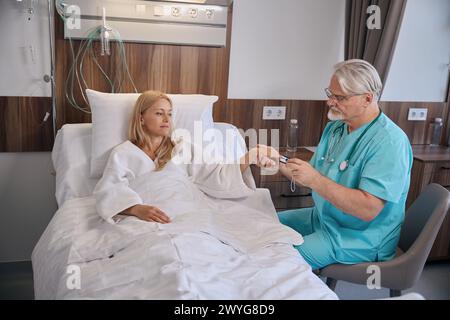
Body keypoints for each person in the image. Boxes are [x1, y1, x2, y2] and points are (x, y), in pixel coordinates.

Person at [278, 59, 413, 270]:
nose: (330, 102)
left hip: (359, 237)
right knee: (264, 224)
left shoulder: (390, 142)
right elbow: (309, 177)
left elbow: (367, 210)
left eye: (339, 97)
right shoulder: (335, 129)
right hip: (323, 218)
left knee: (279, 260)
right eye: (330, 94)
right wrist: (276, 161)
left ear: (367, 99)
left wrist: (315, 179)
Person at [93, 90, 279, 224]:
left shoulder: (182, 147)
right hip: (144, 218)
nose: (167, 119)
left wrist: (250, 156)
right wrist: (136, 208)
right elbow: (109, 190)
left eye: (170, 114)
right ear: (141, 118)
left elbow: (215, 174)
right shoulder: (123, 154)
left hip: (185, 212)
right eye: (159, 113)